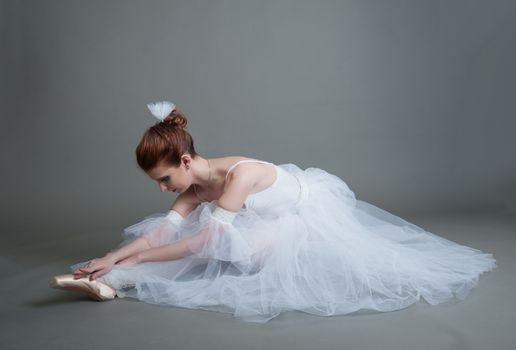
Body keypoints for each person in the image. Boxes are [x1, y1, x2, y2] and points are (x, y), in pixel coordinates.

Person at [50, 101, 497, 323]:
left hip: (302, 217)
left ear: (185, 161)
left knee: (212, 253)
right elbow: (159, 235)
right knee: (172, 247)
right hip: (253, 219)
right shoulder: (192, 190)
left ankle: (118, 279)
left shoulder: (238, 176)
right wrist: (114, 254)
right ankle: (107, 279)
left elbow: (206, 240)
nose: (165, 190)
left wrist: (143, 257)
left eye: (166, 179)